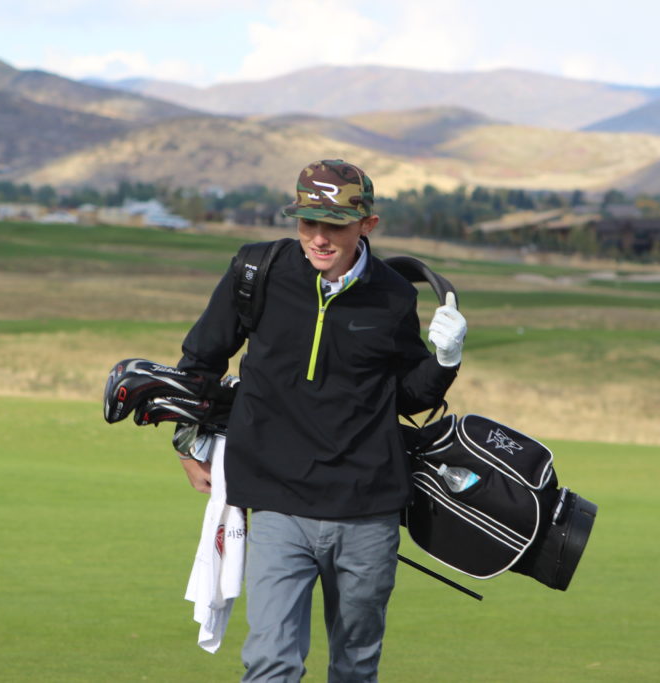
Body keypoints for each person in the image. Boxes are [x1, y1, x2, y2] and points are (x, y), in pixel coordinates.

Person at [176, 159, 466, 682]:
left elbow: (404, 396)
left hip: (367, 509)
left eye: (334, 225)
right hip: (276, 502)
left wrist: (445, 361)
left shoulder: (394, 294)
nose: (319, 238)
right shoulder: (257, 271)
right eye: (308, 222)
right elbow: (200, 360)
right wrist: (188, 441)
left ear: (367, 225)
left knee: (355, 668)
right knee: (270, 662)